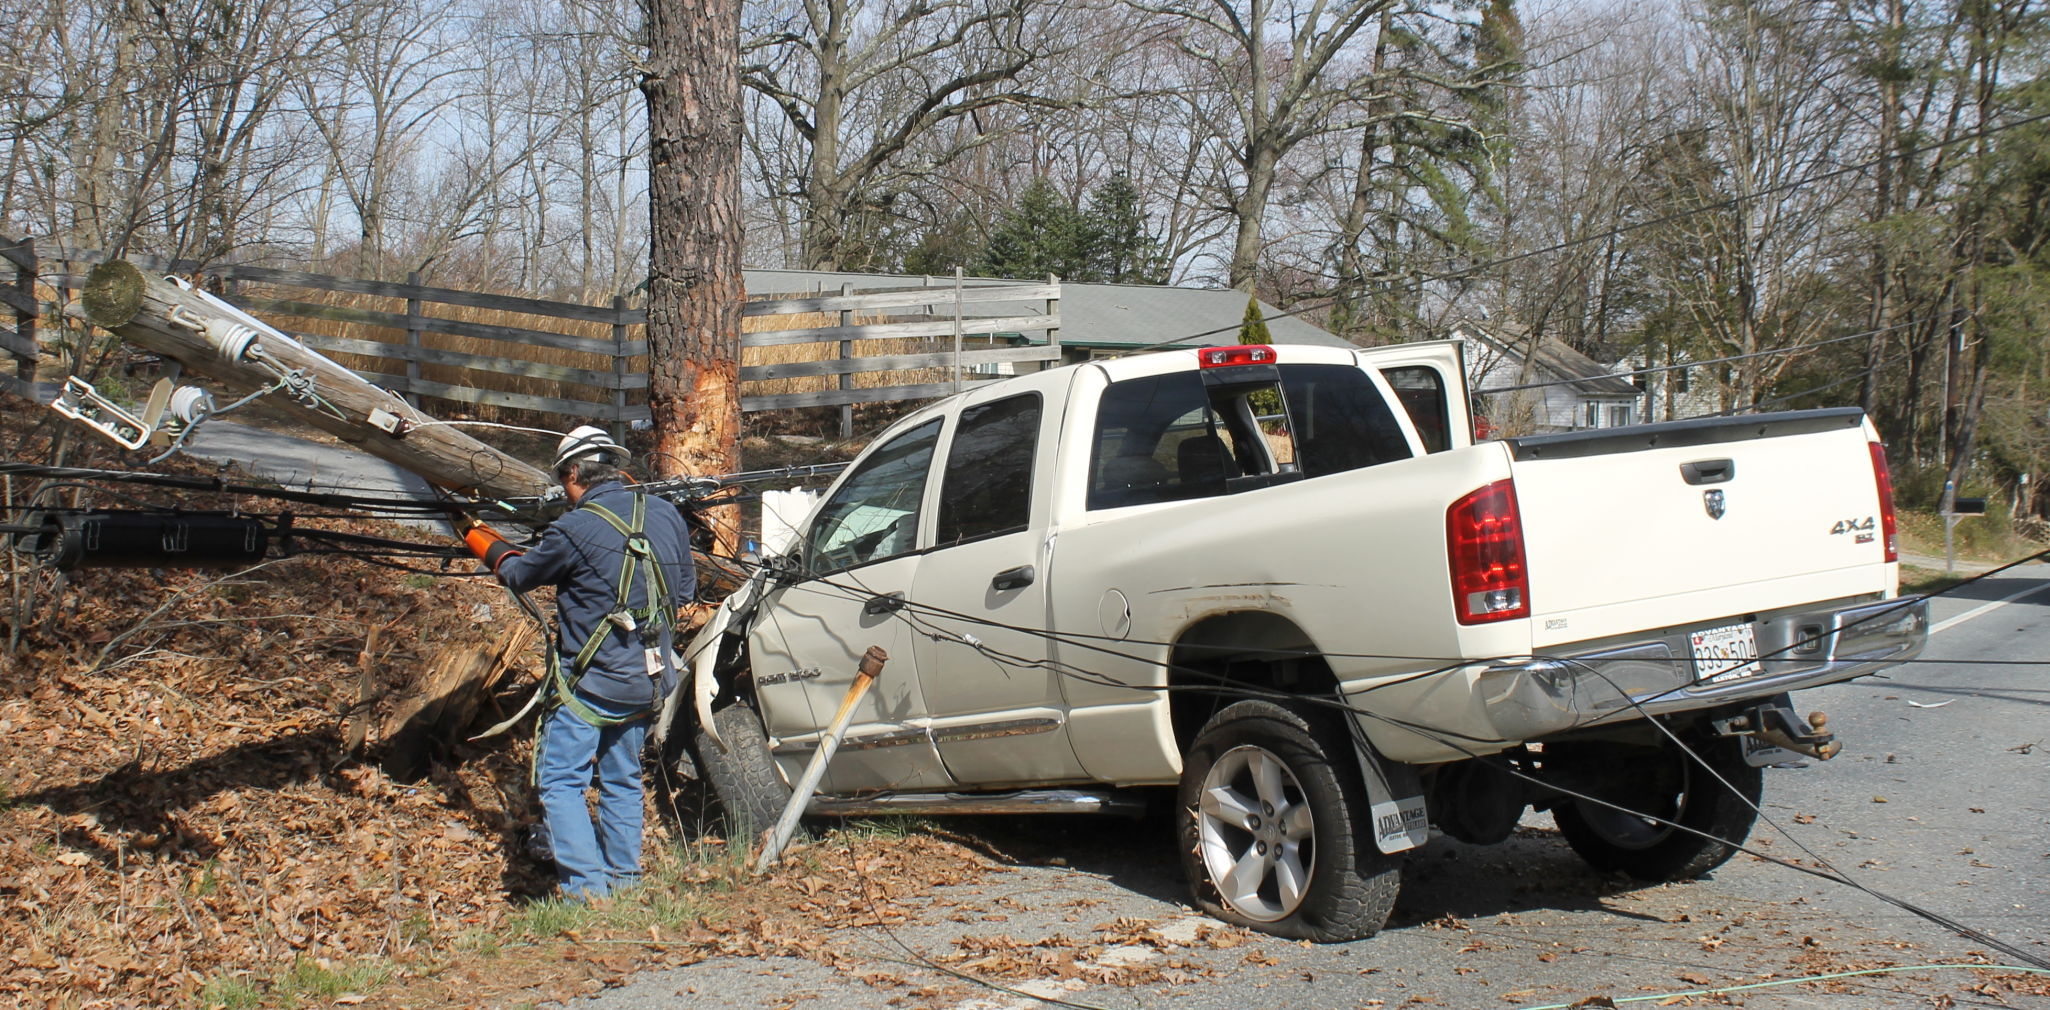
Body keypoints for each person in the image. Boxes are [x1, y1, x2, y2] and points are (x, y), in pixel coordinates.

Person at [458, 425, 695, 898]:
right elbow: (685, 590)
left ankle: (587, 892)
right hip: (648, 679)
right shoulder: (666, 513)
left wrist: (476, 535)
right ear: (614, 468)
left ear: (572, 474)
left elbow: (520, 574)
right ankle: (624, 882)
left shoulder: (574, 527)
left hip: (592, 685)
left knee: (561, 783)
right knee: (623, 778)